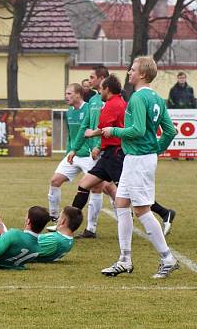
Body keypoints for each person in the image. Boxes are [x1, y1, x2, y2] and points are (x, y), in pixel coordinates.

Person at [100, 56, 179, 279]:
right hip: (137, 159)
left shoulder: (137, 98)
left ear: (142, 74)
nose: (129, 72)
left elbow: (136, 130)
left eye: (132, 69)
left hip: (138, 159)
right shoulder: (156, 98)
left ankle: (167, 258)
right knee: (121, 203)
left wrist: (113, 131)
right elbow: (170, 131)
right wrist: (156, 149)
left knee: (142, 210)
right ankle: (124, 259)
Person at [46, 83, 100, 231]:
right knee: (55, 181)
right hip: (73, 154)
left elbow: (94, 130)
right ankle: (55, 218)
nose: (66, 96)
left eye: (69, 93)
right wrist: (69, 151)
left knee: (98, 188)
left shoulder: (89, 109)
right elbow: (71, 135)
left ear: (78, 94)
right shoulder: (70, 112)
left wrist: (96, 148)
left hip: (89, 155)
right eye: (66, 93)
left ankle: (91, 228)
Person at [66, 67, 108, 237]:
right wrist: (74, 149)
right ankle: (90, 228)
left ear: (101, 78)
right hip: (98, 150)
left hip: (110, 150)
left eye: (92, 77)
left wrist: (99, 145)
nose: (89, 81)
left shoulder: (112, 100)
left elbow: (108, 126)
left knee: (111, 189)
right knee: (100, 187)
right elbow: (88, 126)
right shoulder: (94, 100)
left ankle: (161, 211)